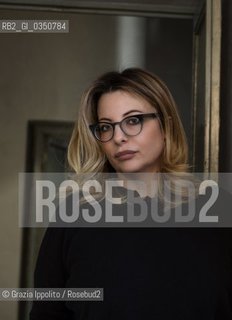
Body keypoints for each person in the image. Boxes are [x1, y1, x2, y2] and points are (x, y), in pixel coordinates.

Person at [30, 68, 232, 319]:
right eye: (106, 127)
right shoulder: (74, 215)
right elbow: (46, 313)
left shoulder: (218, 207)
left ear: (166, 125)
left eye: (133, 120)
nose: (118, 137)